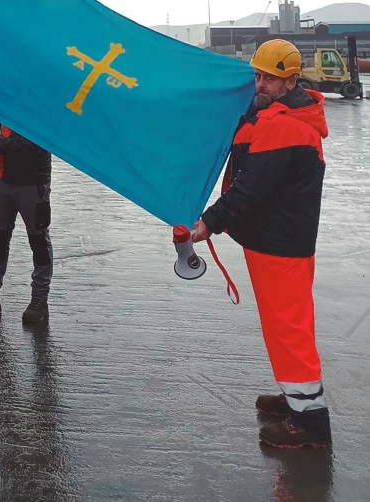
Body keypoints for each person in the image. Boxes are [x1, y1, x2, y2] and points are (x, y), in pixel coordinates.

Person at [193, 39, 330, 449]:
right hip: (278, 241)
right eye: (257, 75)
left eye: (270, 78)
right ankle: (297, 401)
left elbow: (251, 189)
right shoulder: (277, 114)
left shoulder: (285, 125)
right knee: (284, 327)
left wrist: (210, 222)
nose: (261, 84)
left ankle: (310, 425)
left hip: (281, 246)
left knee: (290, 330)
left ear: (290, 79)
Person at [0, 124, 53, 323]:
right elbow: (7, 133)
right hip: (1, 180)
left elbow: (37, 145)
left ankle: (39, 299)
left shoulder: (40, 107)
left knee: (38, 241)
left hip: (32, 183)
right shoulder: (10, 101)